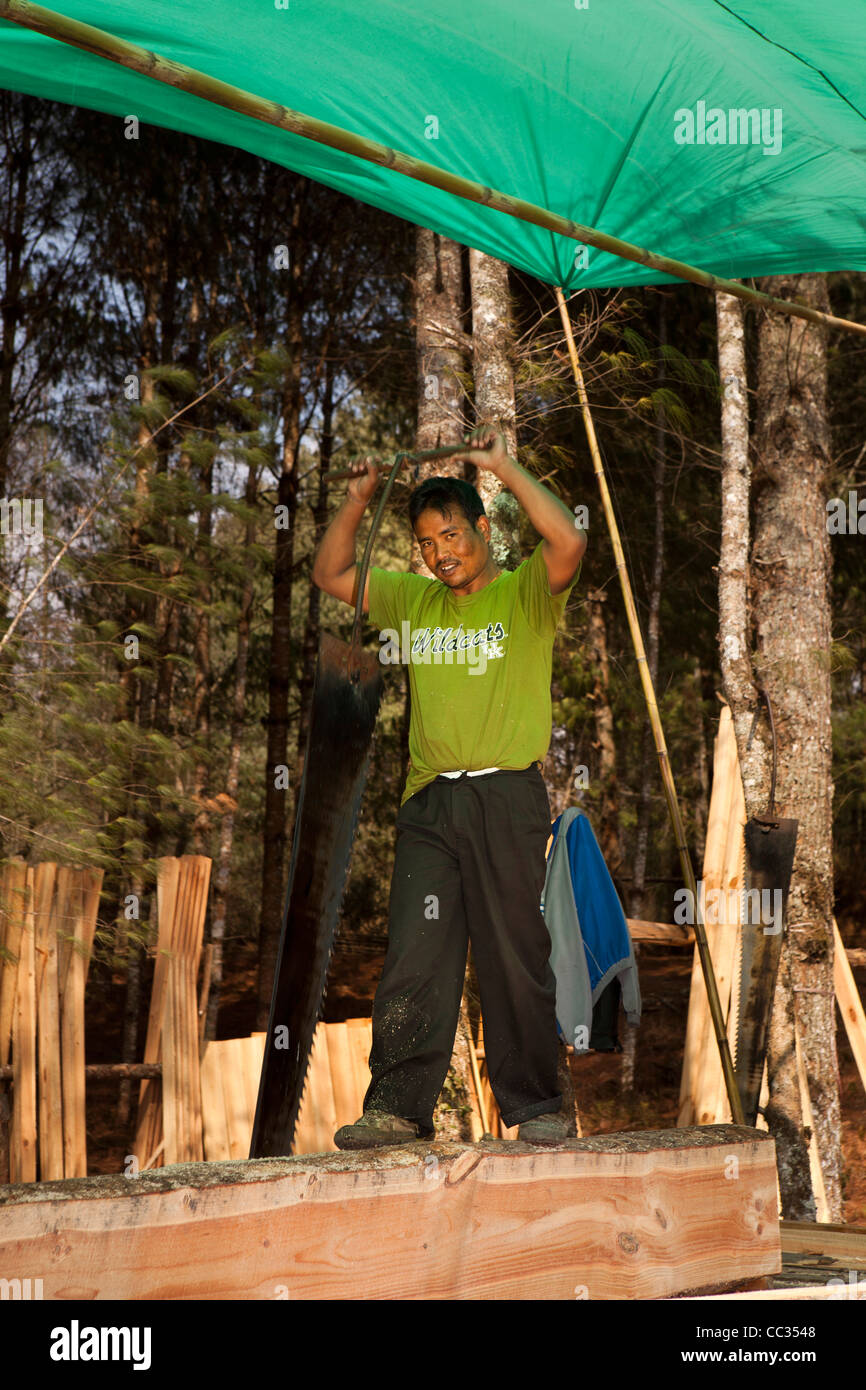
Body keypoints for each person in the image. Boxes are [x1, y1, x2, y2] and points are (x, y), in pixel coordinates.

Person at [311, 426, 586, 1147]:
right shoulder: (414, 602)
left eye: (454, 535)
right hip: (430, 802)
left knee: (513, 950)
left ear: (482, 530)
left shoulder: (524, 593)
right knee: (416, 952)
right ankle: (398, 1107)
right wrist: (357, 500)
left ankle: (537, 1107)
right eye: (429, 543)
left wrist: (505, 466)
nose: (442, 553)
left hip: (506, 796)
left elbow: (569, 543)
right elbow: (332, 572)